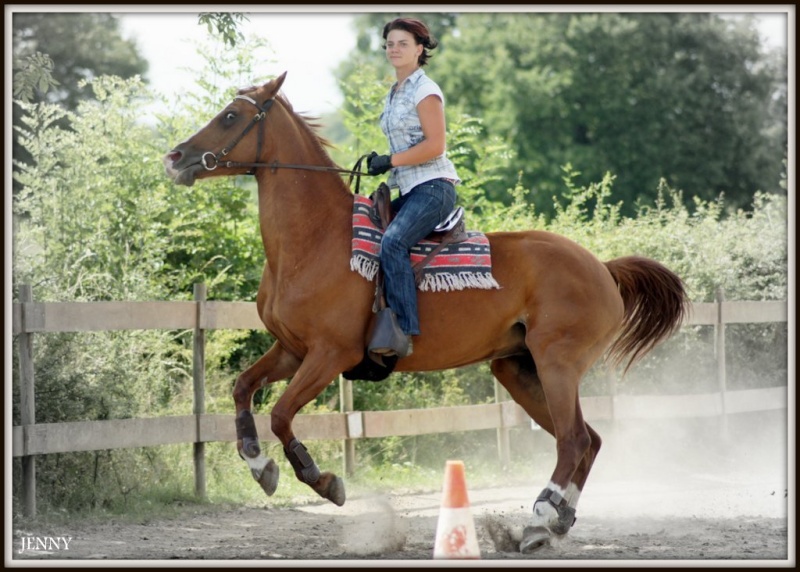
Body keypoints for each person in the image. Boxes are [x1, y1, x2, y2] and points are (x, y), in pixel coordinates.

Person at [366, 17, 461, 359]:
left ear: (419, 50)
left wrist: (390, 161)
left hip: (433, 187)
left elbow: (435, 145)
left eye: (402, 43)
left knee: (392, 242)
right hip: (406, 189)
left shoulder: (425, 89)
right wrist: (383, 161)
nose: (394, 48)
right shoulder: (393, 93)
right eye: (390, 43)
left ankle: (404, 333)